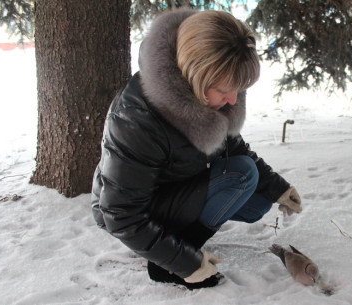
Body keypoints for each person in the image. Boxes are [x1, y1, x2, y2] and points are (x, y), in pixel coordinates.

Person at [90, 9, 302, 290]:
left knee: (259, 201)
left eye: (238, 89)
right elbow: (120, 213)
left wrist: (277, 187)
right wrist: (183, 261)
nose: (233, 99)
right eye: (225, 89)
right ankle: (170, 263)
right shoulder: (136, 120)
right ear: (197, 75)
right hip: (131, 208)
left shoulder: (204, 95)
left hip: (172, 187)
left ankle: (180, 240)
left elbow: (230, 145)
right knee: (242, 176)